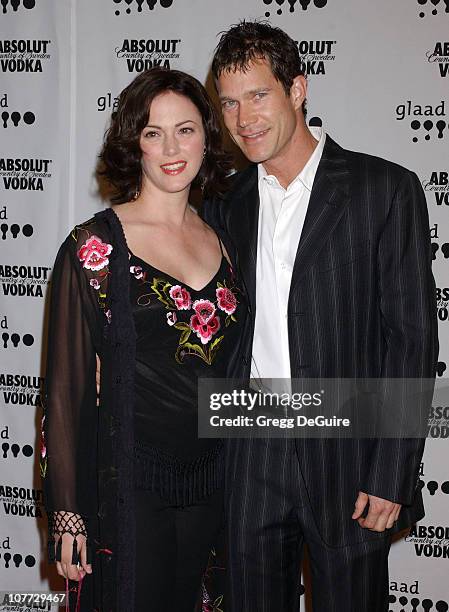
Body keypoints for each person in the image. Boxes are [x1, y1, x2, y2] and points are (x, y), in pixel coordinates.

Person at [202, 21, 438, 612]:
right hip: (250, 449)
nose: (243, 118)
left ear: (297, 89)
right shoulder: (223, 204)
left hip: (349, 456)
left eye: (258, 95)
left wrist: (393, 470)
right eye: (229, 103)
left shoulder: (383, 189)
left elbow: (410, 341)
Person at [40, 67, 246, 611]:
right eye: (153, 133)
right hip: (131, 487)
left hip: (216, 485)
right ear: (136, 144)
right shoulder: (94, 248)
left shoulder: (225, 243)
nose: (172, 148)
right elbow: (65, 393)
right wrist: (67, 513)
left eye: (186, 129)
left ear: (207, 134)